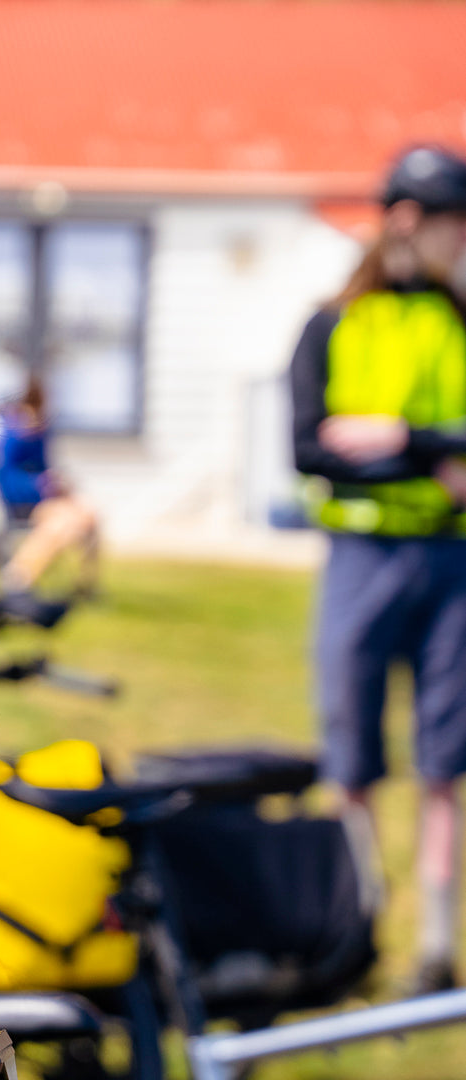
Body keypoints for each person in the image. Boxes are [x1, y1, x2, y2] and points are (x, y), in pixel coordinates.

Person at [291, 144, 466, 995]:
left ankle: (436, 947)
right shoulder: (331, 323)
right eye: (452, 223)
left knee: (445, 760)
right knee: (349, 757)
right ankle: (352, 928)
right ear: (405, 220)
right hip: (359, 559)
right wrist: (428, 461)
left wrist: (394, 439)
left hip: (450, 561)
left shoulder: (461, 318)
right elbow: (306, 447)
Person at [0, 374, 99, 602]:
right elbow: (5, 477)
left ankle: (85, 583)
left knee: (88, 514)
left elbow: (44, 468)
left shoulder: (41, 432)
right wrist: (40, 484)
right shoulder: (12, 435)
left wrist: (57, 482)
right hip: (21, 501)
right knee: (62, 525)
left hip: (46, 499)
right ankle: (18, 576)